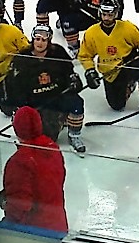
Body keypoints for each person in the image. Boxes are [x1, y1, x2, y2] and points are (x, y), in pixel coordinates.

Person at [8, 25, 87, 154]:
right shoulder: (22, 58)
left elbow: (69, 72)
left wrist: (73, 82)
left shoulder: (58, 52)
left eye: (44, 40)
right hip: (35, 102)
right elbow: (14, 84)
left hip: (57, 96)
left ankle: (74, 135)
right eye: (37, 39)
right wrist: (20, 105)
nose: (40, 43)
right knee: (48, 138)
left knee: (77, 103)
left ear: (49, 41)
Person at [78, 0, 139, 123]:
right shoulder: (92, 32)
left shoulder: (127, 27)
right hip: (110, 71)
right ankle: (129, 85)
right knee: (117, 106)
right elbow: (85, 55)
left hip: (128, 63)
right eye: (104, 14)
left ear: (116, 14)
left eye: (110, 15)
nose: (107, 18)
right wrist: (90, 71)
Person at [0, 106, 68, 232]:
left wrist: (7, 204)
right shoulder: (52, 149)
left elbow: (20, 206)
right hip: (58, 226)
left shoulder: (20, 161)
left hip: (34, 233)